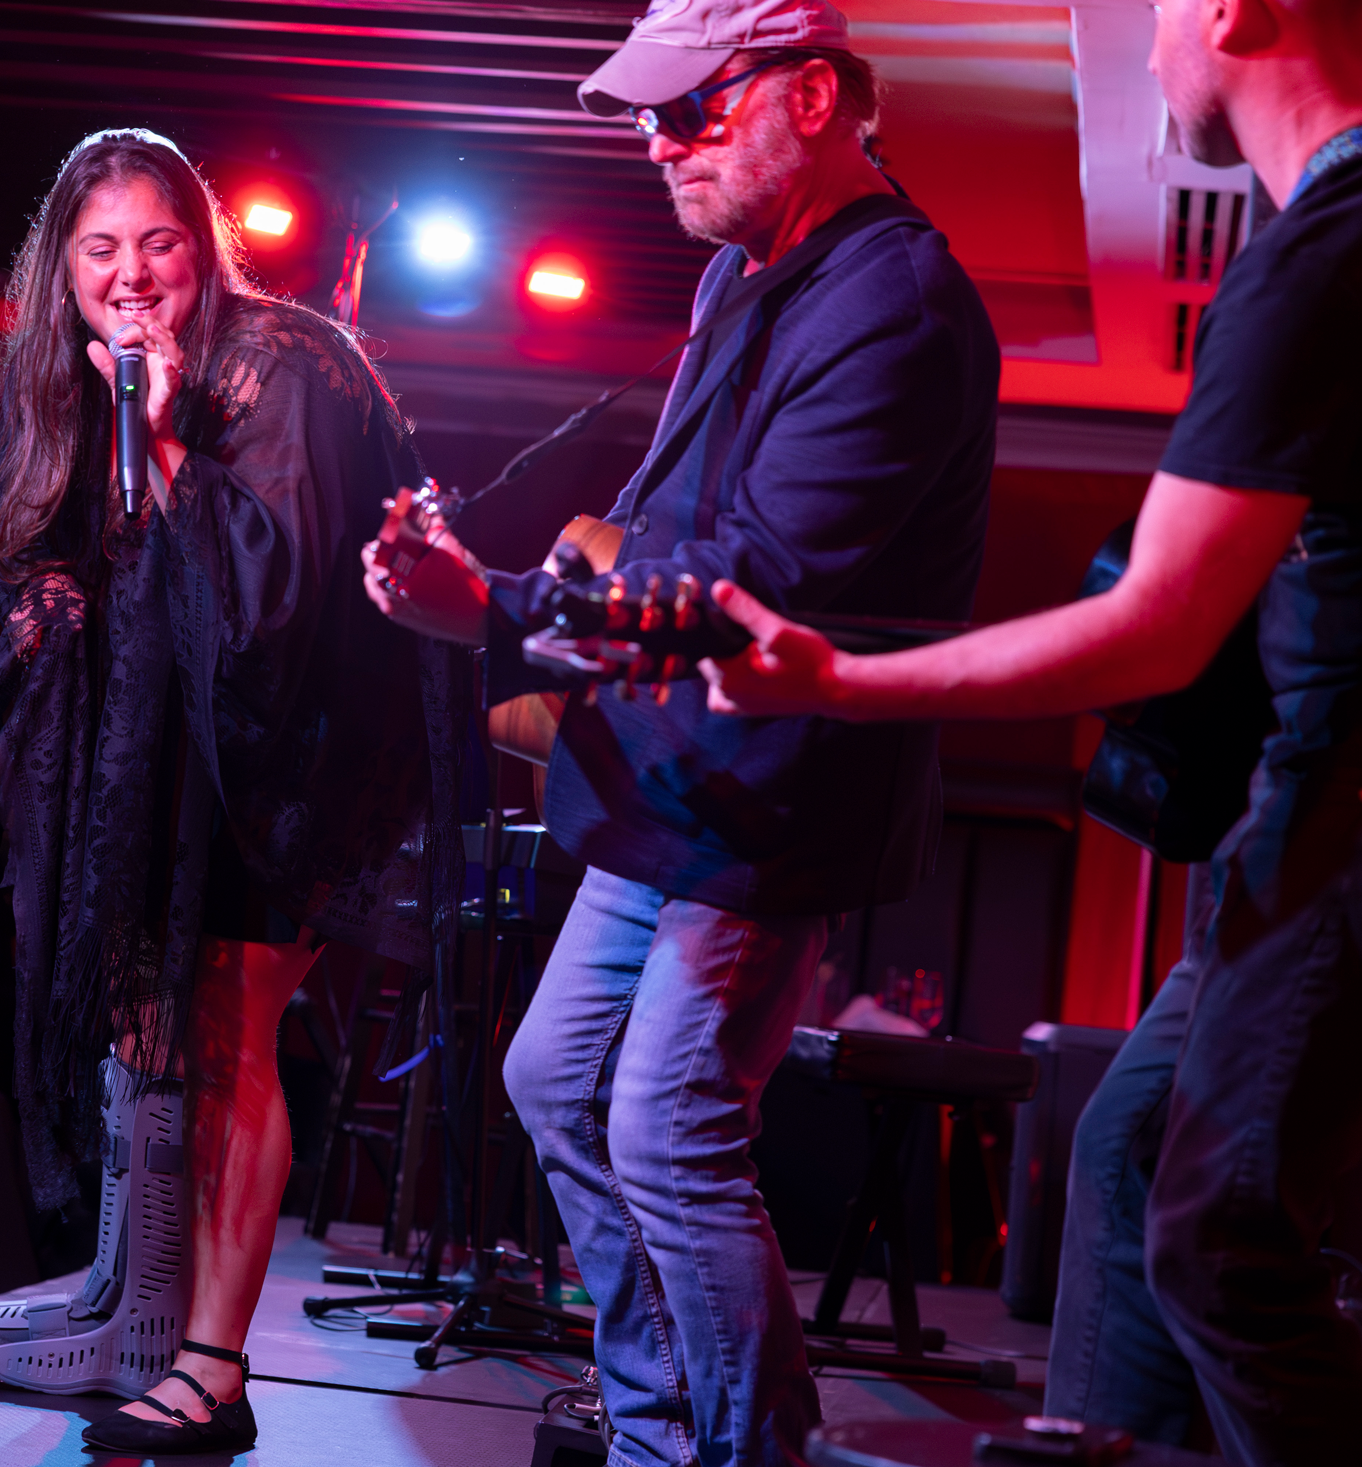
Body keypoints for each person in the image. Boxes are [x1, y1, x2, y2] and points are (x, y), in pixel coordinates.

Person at [697, 0, 1362, 1458]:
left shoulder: (1331, 249)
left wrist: (835, 680)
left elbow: (1155, 628)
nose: (1153, 43)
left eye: (1164, 8)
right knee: (1128, 1151)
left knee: (1222, 1234)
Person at [362, 0, 1000, 1459]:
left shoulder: (896, 303)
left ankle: (746, 1449)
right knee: (552, 1081)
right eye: (648, 115)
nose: (658, 143)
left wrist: (497, 607)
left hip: (771, 793)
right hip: (671, 770)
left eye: (692, 106)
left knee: (666, 1123)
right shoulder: (741, 275)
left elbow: (759, 579)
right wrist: (505, 596)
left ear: (814, 97)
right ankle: (662, 1433)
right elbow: (667, 525)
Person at [0, 128, 458, 1458]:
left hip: (291, 756)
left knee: (230, 1032)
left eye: (158, 243)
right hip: (166, 754)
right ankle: (136, 1316)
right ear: (62, 269)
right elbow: (35, 542)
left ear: (203, 249)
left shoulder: (277, 363)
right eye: (100, 250)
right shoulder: (71, 376)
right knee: (148, 1036)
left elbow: (268, 602)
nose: (130, 276)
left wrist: (170, 436)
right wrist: (43, 597)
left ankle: (213, 1370)